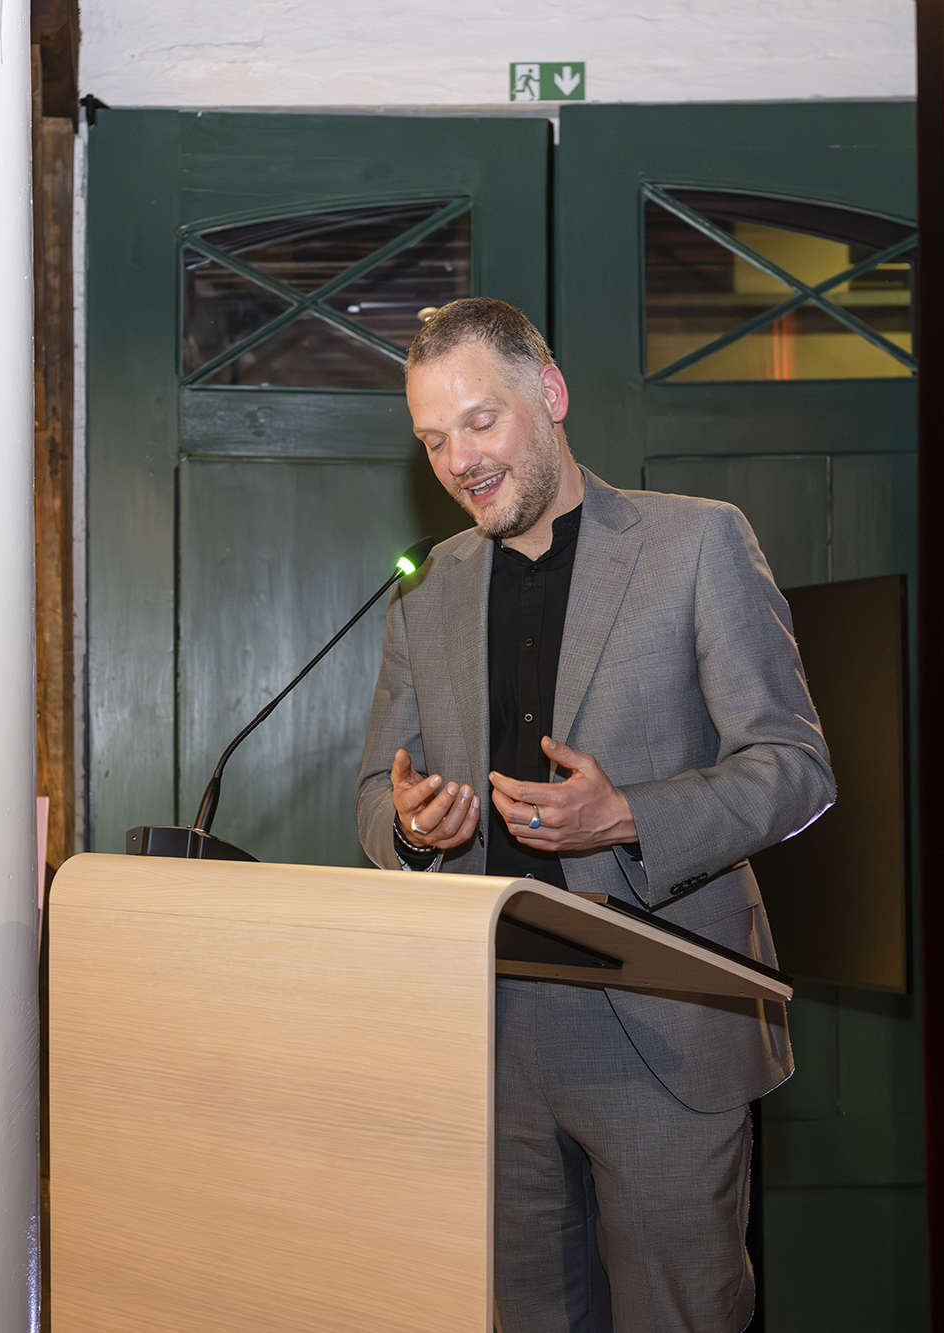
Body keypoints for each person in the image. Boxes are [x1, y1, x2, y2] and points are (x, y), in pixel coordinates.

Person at [355, 298, 834, 1332]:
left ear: (551, 394)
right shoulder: (425, 591)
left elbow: (796, 770)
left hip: (665, 1024)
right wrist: (412, 829)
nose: (458, 460)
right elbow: (373, 796)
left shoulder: (699, 541)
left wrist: (626, 817)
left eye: (480, 421)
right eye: (432, 439)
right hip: (487, 1037)